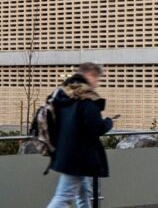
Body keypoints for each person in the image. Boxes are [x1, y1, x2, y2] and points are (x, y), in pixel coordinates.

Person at [46, 62, 115, 207]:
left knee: (84, 193)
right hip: (77, 156)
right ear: (89, 75)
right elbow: (96, 127)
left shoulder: (66, 94)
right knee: (63, 196)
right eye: (96, 78)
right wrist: (109, 122)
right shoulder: (86, 98)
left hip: (66, 151)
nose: (96, 83)